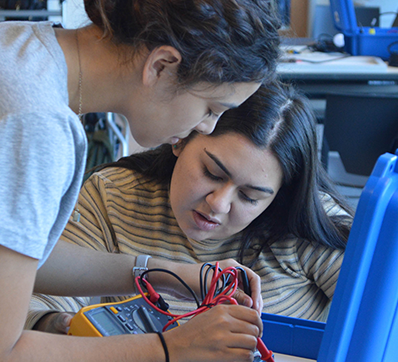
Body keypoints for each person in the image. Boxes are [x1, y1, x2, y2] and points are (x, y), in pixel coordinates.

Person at [0, 0, 282, 362]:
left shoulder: (17, 49)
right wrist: (172, 351)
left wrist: (159, 273)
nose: (206, 126)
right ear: (161, 66)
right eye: (212, 108)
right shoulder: (34, 124)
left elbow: (8, 260)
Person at [27, 80, 354, 336]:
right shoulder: (113, 196)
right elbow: (43, 296)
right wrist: (57, 325)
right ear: (181, 138)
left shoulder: (312, 223)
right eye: (212, 173)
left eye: (250, 196)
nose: (218, 204)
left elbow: (385, 323)